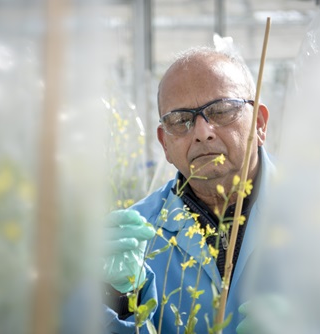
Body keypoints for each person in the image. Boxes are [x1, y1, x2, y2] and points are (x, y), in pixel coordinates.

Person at [63, 44, 274, 334]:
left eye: (222, 110)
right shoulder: (135, 237)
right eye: (180, 120)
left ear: (260, 124)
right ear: (164, 144)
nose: (202, 132)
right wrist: (116, 296)